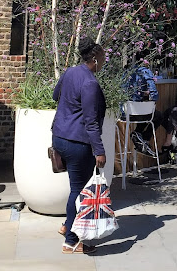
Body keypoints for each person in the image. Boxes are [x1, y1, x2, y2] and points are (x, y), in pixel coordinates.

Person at [52, 37, 106, 254]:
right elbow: (91, 121)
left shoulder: (70, 72)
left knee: (76, 187)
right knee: (79, 191)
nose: (104, 62)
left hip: (59, 137)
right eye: (103, 58)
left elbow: (56, 95)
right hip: (77, 142)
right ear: (94, 58)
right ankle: (71, 240)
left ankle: (67, 225)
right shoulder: (90, 83)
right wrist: (99, 150)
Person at [122, 59, 160, 157]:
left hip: (124, 115)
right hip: (140, 114)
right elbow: (154, 96)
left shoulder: (125, 72)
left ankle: (139, 137)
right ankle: (143, 139)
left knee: (144, 114)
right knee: (158, 116)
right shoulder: (145, 71)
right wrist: (146, 94)